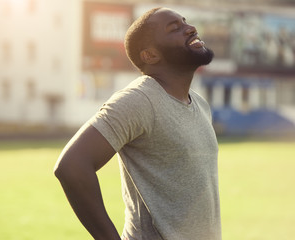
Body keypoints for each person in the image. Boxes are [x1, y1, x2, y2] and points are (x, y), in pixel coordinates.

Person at [54, 7, 221, 240]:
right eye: (175, 28)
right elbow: (72, 165)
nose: (190, 28)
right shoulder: (139, 100)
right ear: (150, 56)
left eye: (185, 22)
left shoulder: (200, 104)